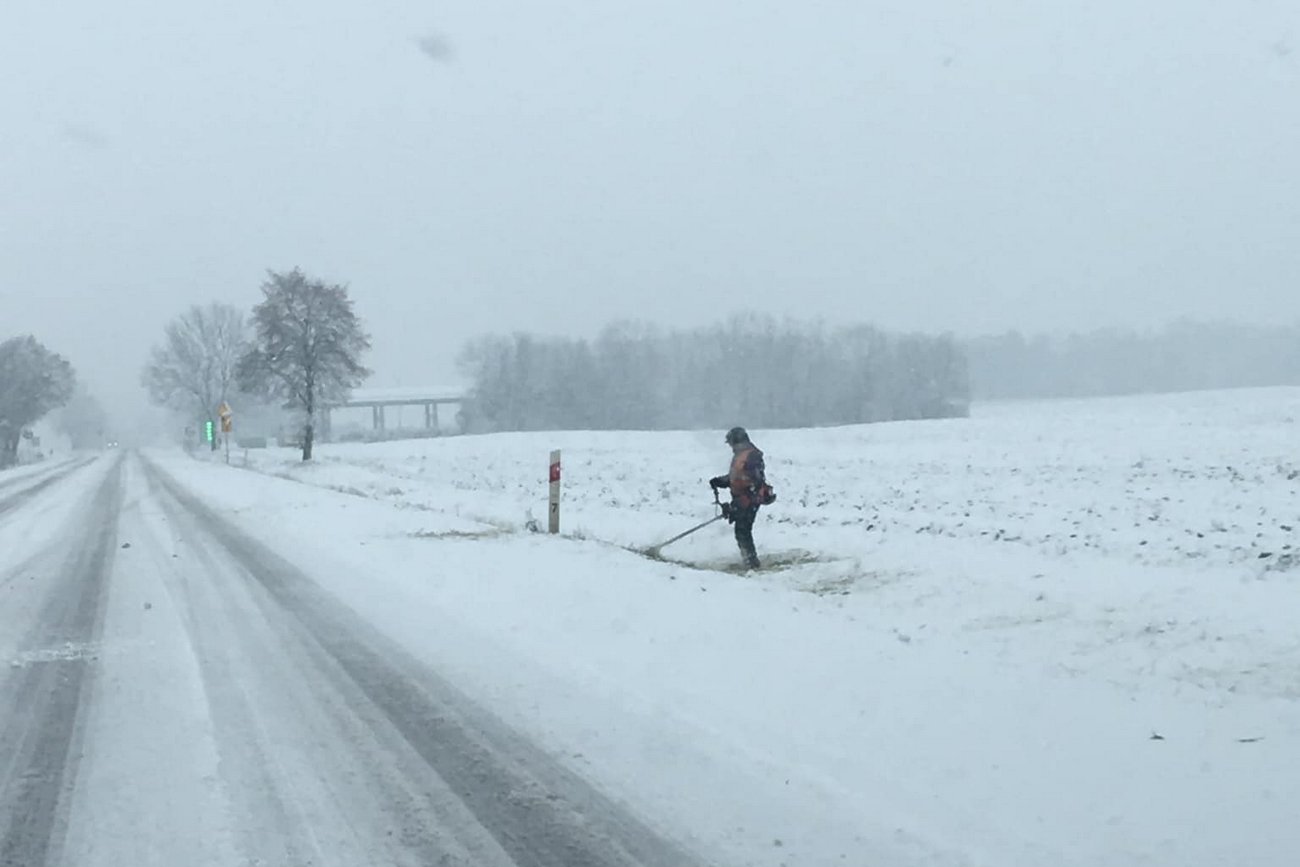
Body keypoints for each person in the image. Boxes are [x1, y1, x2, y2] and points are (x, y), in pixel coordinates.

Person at [709, 426, 773, 570]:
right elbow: (736, 478)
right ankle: (750, 562)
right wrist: (720, 481)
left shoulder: (751, 456)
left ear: (737, 441)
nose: (730, 446)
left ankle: (752, 564)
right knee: (742, 531)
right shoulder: (740, 455)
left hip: (750, 500)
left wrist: (745, 500)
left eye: (731, 443)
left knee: (743, 531)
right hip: (742, 499)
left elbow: (756, 481)